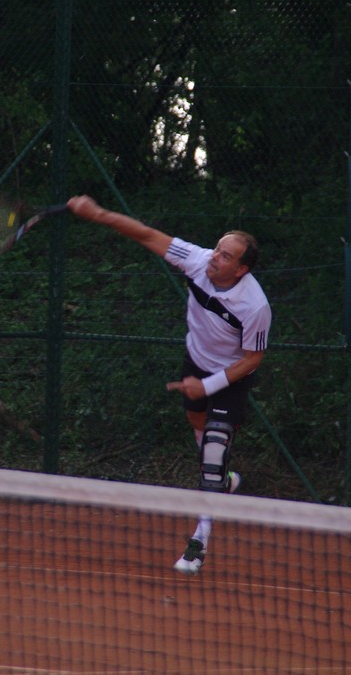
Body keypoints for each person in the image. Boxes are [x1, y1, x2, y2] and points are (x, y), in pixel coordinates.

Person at [67, 195, 272, 574]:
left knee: (213, 448)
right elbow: (145, 234)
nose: (215, 257)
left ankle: (199, 541)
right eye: (217, 249)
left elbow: (252, 360)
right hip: (194, 363)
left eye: (226, 256)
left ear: (241, 269)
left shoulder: (255, 306)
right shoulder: (197, 260)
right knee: (201, 435)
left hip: (230, 377)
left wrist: (207, 387)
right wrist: (97, 214)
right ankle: (222, 479)